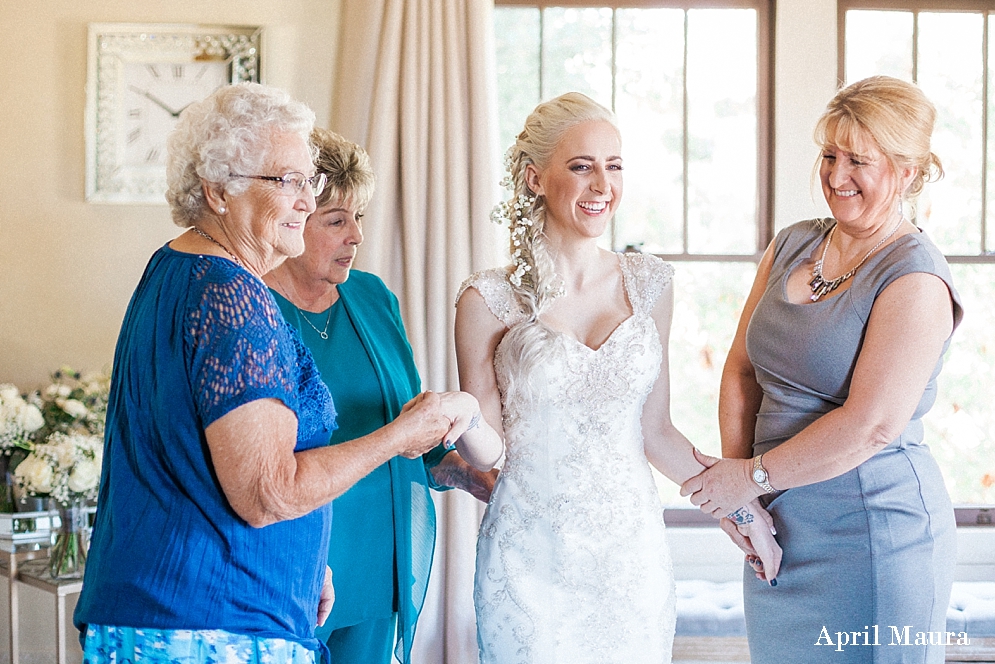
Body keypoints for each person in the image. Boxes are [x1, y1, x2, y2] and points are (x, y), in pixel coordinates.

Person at [73, 83, 473, 663]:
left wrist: (309, 562)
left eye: (308, 181)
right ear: (217, 192)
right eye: (286, 181)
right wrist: (398, 437)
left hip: (171, 611)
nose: (307, 202)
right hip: (212, 627)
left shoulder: (174, 270)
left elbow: (207, 466)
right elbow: (268, 492)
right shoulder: (232, 296)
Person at [454, 92, 781, 664]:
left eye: (614, 165)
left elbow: (656, 433)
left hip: (630, 560)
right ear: (535, 179)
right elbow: (488, 449)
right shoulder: (488, 299)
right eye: (582, 166)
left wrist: (740, 509)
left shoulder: (649, 283)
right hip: (529, 559)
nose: (602, 184)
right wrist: (454, 419)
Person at [680, 76, 962, 664]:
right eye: (829, 156)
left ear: (906, 171)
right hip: (777, 528)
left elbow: (872, 427)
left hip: (876, 539)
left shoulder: (915, 277)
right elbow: (740, 373)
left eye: (858, 160)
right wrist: (745, 500)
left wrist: (749, 480)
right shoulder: (790, 245)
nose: (836, 177)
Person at [263, 128, 499, 664]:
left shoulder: (372, 297)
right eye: (336, 220)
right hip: (298, 562)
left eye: (359, 218)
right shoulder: (256, 311)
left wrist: (465, 470)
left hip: (379, 555)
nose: (355, 236)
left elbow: (409, 425)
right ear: (292, 220)